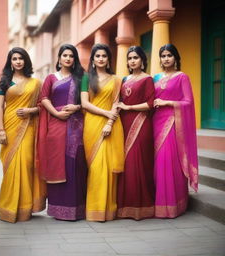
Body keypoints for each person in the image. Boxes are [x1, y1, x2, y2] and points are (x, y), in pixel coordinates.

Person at [37, 44, 87, 220]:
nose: (67, 58)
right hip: (56, 124)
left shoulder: (80, 77)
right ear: (59, 58)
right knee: (57, 162)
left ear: (74, 59)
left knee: (75, 162)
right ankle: (58, 208)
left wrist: (77, 107)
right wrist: (57, 113)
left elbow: (88, 100)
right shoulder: (51, 78)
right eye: (64, 55)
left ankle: (77, 208)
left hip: (76, 124)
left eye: (71, 55)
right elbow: (43, 98)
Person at [0, 47, 46, 223]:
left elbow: (43, 105)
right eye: (14, 58)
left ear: (26, 61)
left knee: (26, 163)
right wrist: (1, 130)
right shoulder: (5, 81)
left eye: (21, 58)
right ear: (10, 61)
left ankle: (25, 208)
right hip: (9, 127)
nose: (18, 61)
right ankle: (8, 208)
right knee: (10, 166)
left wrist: (31, 110)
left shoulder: (35, 83)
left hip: (28, 127)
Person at [153, 44, 198, 218]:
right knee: (158, 164)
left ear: (176, 58)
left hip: (172, 123)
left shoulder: (182, 77)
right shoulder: (156, 77)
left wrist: (168, 103)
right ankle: (160, 203)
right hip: (155, 123)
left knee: (168, 160)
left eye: (169, 55)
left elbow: (188, 102)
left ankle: (173, 204)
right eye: (163, 55)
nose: (166, 59)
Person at [81, 44, 124, 221]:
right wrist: (105, 113)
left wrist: (109, 122)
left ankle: (109, 210)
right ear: (92, 59)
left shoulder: (116, 79)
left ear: (108, 59)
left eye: (104, 56)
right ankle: (94, 209)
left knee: (107, 166)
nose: (100, 59)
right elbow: (84, 103)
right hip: (92, 124)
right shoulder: (86, 78)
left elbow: (116, 103)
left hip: (111, 125)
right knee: (95, 168)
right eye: (97, 56)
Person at [117, 46, 155, 220]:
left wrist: (129, 107)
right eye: (130, 58)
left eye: (136, 58)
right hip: (123, 124)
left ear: (142, 60)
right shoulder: (125, 79)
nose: (132, 61)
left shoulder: (147, 79)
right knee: (125, 163)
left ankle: (142, 206)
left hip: (141, 124)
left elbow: (150, 103)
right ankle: (124, 206)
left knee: (138, 162)